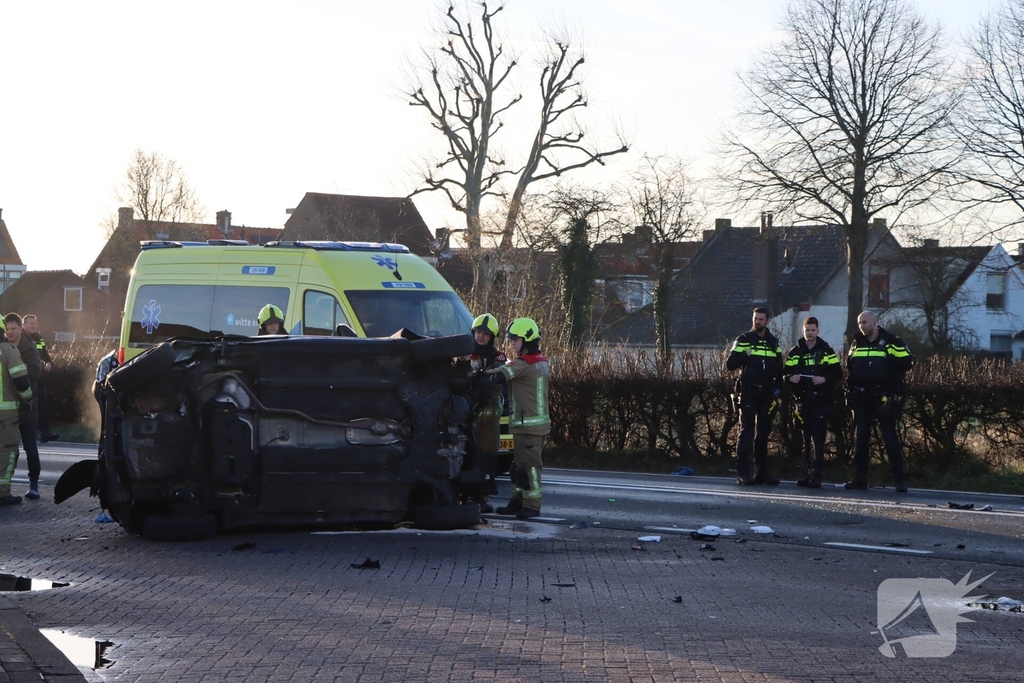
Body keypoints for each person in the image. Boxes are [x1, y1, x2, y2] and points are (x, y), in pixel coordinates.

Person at [487, 318, 549, 519]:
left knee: (529, 469)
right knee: (518, 466)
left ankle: (531, 505)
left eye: (515, 339)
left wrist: (477, 374)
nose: (512, 343)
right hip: (534, 425)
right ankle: (516, 501)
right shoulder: (541, 361)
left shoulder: (524, 364)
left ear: (527, 339)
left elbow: (498, 375)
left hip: (527, 426)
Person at [845, 311, 914, 492]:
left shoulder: (891, 341)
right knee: (860, 440)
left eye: (865, 322)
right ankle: (859, 480)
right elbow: (850, 365)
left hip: (883, 397)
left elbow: (907, 362)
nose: (862, 326)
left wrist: (888, 361)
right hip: (861, 396)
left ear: (875, 322)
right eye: (860, 323)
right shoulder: (857, 342)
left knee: (890, 439)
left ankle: (899, 481)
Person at [726, 307, 784, 486]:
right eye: (755, 319)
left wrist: (778, 390)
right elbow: (730, 364)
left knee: (763, 434)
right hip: (748, 392)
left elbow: (780, 368)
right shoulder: (743, 340)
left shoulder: (773, 342)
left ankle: (762, 473)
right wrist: (745, 354)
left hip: (767, 393)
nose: (757, 322)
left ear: (767, 321)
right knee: (746, 432)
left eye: (760, 319)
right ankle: (743, 473)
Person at [784, 316, 842, 488]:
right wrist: (790, 377)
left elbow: (837, 373)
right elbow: (784, 373)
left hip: (820, 399)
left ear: (818, 330)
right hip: (802, 400)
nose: (809, 333)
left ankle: (816, 476)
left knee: (818, 439)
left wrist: (824, 379)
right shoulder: (795, 351)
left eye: (812, 330)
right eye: (807, 330)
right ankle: (808, 473)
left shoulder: (826, 350)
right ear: (803, 331)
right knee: (806, 438)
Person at [467, 313, 507, 513]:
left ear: (493, 337)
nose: (481, 336)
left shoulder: (497, 357)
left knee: (487, 458)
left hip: (489, 419)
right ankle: (466, 497)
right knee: (467, 457)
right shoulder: (464, 353)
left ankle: (482, 499)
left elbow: (496, 377)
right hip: (467, 418)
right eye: (478, 332)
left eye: (486, 334)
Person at [5, 314, 42, 500]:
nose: (10, 332)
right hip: (8, 409)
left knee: (30, 447)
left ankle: (34, 484)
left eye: (13, 328)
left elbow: (35, 372)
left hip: (27, 406)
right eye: (7, 329)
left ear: (21, 329)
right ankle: (5, 487)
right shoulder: (3, 348)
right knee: (7, 449)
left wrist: (17, 368)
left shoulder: (30, 348)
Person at [0, 316, 32, 506]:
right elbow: (21, 381)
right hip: (6, 415)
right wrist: (28, 399)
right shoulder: (8, 351)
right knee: (7, 452)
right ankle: (3, 493)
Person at [23, 314, 58, 442]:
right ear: (24, 325)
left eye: (34, 323)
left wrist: (48, 362)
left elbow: (44, 353)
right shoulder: (20, 338)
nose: (33, 325)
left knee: (41, 404)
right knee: (25, 406)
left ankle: (45, 433)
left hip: (37, 376)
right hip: (23, 377)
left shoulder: (39, 337)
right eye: (30, 323)